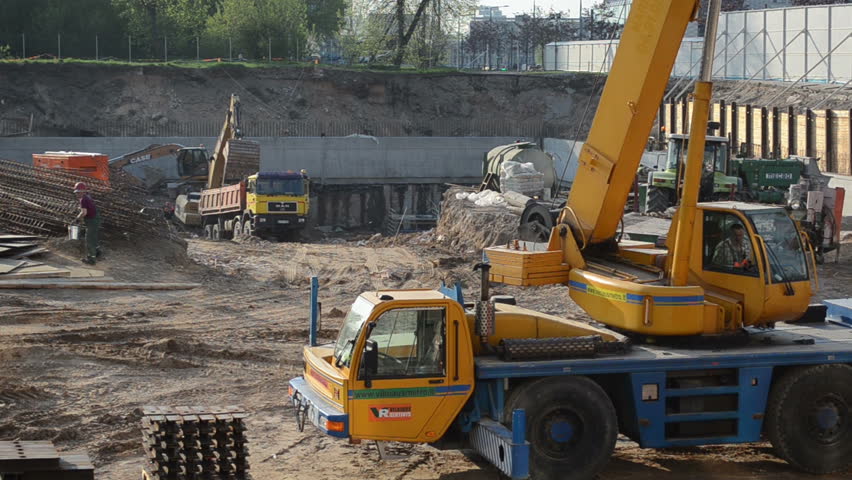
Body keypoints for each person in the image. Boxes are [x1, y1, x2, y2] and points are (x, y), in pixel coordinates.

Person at [74, 182, 100, 265]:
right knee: (93, 237)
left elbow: (84, 213)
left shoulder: (83, 200)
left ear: (83, 191)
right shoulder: (87, 196)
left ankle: (91, 259)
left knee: (89, 240)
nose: (77, 194)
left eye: (78, 192)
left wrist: (77, 219)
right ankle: (97, 252)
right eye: (76, 192)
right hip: (95, 218)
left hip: (92, 220)